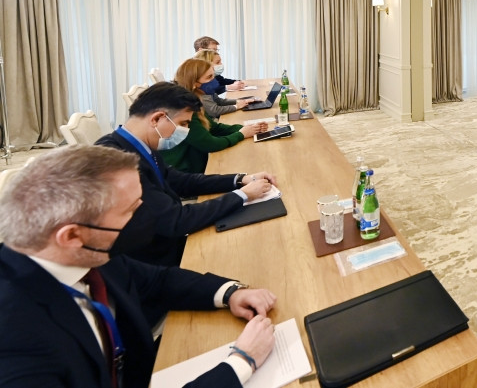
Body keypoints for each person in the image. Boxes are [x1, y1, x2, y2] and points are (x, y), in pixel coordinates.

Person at [0, 145, 277, 388]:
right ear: (72, 235)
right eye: (131, 211)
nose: (145, 216)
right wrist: (241, 363)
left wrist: (230, 293)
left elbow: (157, 280)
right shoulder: (17, 343)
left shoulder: (85, 253)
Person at [95, 82, 275, 267]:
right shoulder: (116, 163)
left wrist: (240, 179)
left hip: (170, 242)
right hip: (157, 262)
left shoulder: (139, 144)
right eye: (183, 124)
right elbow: (175, 220)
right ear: (157, 119)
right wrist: (242, 195)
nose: (186, 130)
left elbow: (180, 181)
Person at [162, 59, 268, 173]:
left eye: (213, 76)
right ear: (194, 83)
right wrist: (241, 134)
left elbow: (214, 127)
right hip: (185, 172)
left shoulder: (195, 99)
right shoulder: (184, 109)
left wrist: (249, 128)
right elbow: (210, 144)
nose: (214, 80)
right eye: (209, 77)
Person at [194, 50, 254, 118]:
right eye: (210, 77)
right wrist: (236, 106)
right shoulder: (201, 90)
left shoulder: (208, 87)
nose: (213, 79)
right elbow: (214, 111)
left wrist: (240, 101)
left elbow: (219, 101)